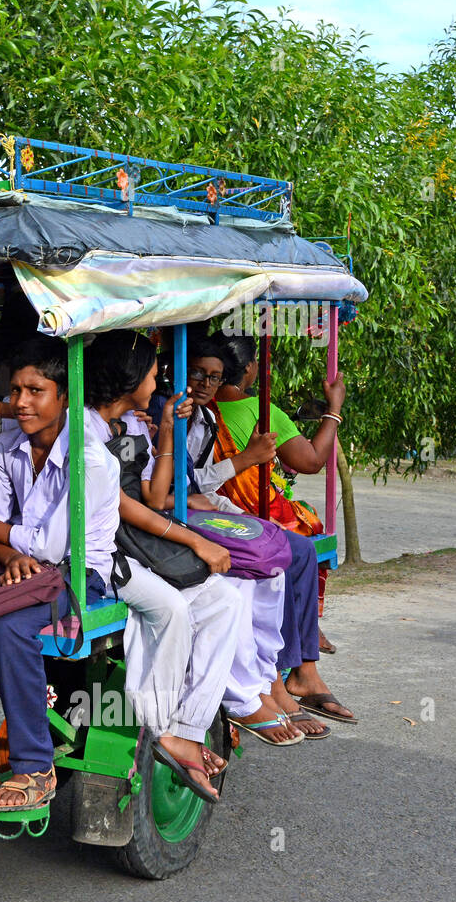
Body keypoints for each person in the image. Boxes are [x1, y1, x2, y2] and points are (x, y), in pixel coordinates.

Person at [0, 335, 120, 810]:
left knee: (8, 632)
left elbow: (52, 546)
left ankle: (34, 767)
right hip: (20, 570)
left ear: (64, 398)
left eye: (35, 391)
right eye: (16, 391)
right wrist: (6, 554)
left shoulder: (90, 459)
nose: (21, 403)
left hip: (76, 576)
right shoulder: (6, 447)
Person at [84, 331, 244, 799]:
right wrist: (195, 540)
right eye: (153, 374)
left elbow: (154, 496)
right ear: (129, 377)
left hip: (142, 529)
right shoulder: (86, 428)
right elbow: (122, 507)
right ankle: (161, 728)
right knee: (172, 607)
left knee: (225, 601)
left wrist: (169, 432)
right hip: (114, 541)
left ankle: (189, 729)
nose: (157, 383)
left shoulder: (131, 426)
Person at [214, 334, 356, 722]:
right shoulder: (259, 410)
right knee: (307, 531)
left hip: (226, 505)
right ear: (247, 369)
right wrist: (334, 411)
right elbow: (311, 460)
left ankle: (303, 648)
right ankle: (304, 667)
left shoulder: (200, 408)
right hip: (247, 512)